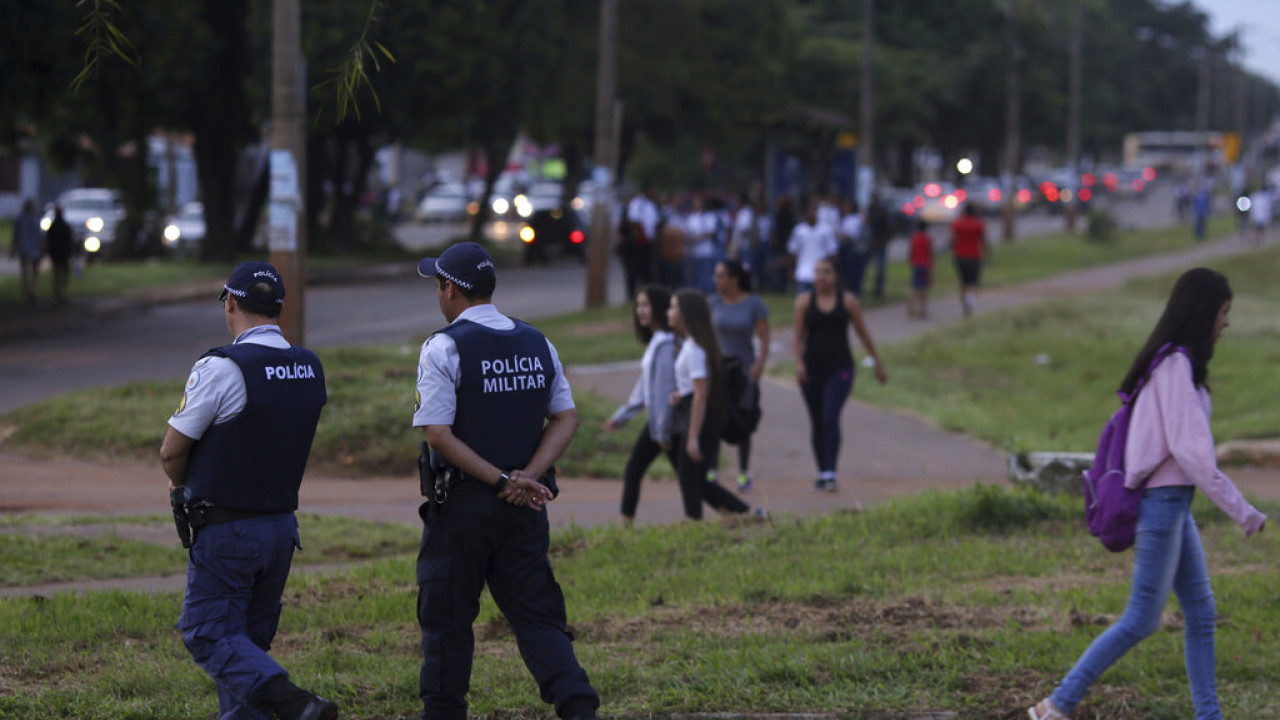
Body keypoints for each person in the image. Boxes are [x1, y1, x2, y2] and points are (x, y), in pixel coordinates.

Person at [1029, 267, 1266, 720]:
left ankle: (1208, 715)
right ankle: (1057, 705)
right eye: (1223, 312)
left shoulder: (1177, 364)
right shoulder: (1174, 364)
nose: (1226, 323)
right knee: (1141, 619)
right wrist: (1243, 511)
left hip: (1175, 506)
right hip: (1162, 505)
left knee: (1200, 612)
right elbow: (1192, 453)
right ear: (1203, 312)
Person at [412, 242, 600, 720]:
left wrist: (498, 480)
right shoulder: (537, 342)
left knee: (448, 618)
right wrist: (527, 478)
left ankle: (444, 711)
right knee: (537, 616)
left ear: (449, 289)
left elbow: (438, 435)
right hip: (526, 508)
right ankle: (577, 705)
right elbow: (566, 418)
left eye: (437, 285)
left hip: (463, 509)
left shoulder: (445, 345)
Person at [159, 262, 336, 720]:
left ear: (231, 303)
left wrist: (180, 489)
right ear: (279, 308)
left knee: (208, 634)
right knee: (245, 650)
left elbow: (171, 451)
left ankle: (297, 706)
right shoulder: (309, 366)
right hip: (280, 529)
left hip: (227, 530)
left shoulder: (221, 366)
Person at [667, 289, 766, 520]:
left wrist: (692, 437)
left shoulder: (696, 350)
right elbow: (696, 389)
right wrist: (681, 394)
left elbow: (702, 394)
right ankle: (749, 513)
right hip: (697, 412)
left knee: (689, 477)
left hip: (701, 417)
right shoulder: (692, 345)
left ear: (686, 314)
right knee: (697, 479)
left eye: (672, 307)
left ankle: (696, 524)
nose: (668, 312)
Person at [792, 257, 887, 493]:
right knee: (816, 420)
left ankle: (831, 471)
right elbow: (797, 337)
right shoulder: (804, 302)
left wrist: (877, 363)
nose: (821, 277)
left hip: (840, 368)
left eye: (826, 272)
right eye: (817, 272)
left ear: (836, 276)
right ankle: (821, 471)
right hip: (812, 369)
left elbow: (863, 334)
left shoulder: (848, 302)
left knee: (830, 416)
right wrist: (799, 364)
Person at [604, 285, 678, 527]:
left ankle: (737, 512)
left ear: (660, 307)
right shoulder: (658, 341)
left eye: (646, 305)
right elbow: (645, 386)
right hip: (659, 423)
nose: (640, 311)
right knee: (635, 469)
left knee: (694, 481)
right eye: (638, 306)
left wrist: (662, 430)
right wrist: (623, 416)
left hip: (667, 423)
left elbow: (664, 392)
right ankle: (626, 524)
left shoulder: (666, 344)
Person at [709, 260, 770, 492]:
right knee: (715, 418)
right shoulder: (712, 303)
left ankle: (743, 472)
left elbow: (764, 337)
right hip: (719, 370)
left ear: (734, 278)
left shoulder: (754, 304)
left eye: (721, 276)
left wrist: (760, 363)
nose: (716, 280)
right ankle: (711, 471)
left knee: (744, 419)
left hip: (744, 370)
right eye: (716, 276)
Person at [786, 202, 838, 295]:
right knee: (803, 301)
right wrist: (790, 269)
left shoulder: (825, 230)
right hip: (803, 273)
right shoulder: (799, 230)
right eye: (810, 212)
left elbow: (833, 252)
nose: (812, 214)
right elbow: (793, 251)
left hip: (821, 274)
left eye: (814, 212)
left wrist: (832, 271)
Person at [949, 202, 986, 317]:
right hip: (974, 256)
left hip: (960, 256)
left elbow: (951, 240)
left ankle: (965, 305)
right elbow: (983, 241)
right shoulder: (978, 224)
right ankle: (970, 305)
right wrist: (987, 256)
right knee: (972, 284)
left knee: (963, 283)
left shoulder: (957, 223)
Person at [621, 184, 659, 298]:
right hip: (637, 244)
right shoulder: (638, 204)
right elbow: (633, 221)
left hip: (648, 243)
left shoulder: (651, 205)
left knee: (646, 271)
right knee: (633, 271)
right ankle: (631, 295)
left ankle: (646, 293)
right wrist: (640, 236)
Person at [11, 199, 43, 305]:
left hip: (24, 248)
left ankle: (27, 291)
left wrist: (13, 248)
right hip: (34, 248)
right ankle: (32, 291)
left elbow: (16, 236)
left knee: (25, 272)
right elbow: (40, 236)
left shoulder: (20, 220)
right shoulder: (36, 220)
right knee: (34, 272)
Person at [836, 198, 868, 297]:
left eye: (847, 206)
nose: (844, 208)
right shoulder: (846, 218)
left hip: (853, 251)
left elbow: (851, 236)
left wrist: (838, 235)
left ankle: (854, 294)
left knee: (853, 275)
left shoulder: (855, 219)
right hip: (846, 251)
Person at [864, 193, 893, 299]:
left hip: (880, 243)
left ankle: (878, 289)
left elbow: (889, 228)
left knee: (880, 268)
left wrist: (883, 241)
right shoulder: (871, 210)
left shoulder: (883, 212)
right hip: (871, 243)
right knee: (865, 266)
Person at [45, 205, 75, 303]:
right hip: (64, 254)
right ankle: (63, 292)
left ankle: (57, 292)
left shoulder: (52, 226)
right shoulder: (65, 226)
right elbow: (70, 240)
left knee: (56, 274)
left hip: (55, 254)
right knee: (64, 274)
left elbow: (48, 240)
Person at [907, 220, 934, 320]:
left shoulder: (914, 237)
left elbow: (911, 250)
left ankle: (911, 307)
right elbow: (930, 252)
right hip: (925, 264)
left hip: (916, 264)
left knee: (914, 287)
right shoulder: (927, 238)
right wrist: (932, 266)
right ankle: (923, 309)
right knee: (924, 288)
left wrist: (910, 260)